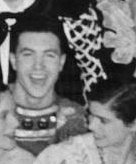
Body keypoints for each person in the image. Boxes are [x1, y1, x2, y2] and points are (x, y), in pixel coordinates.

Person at [7, 20, 89, 156]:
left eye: (49, 55)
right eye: (28, 54)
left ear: (61, 62)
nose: (38, 65)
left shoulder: (74, 119)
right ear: (13, 61)